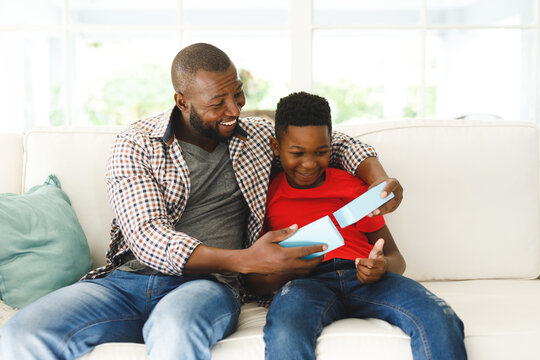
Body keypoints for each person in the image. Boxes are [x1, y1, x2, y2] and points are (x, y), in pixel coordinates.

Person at [0, 44, 403, 360]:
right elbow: (147, 237)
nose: (234, 111)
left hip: (207, 286)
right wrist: (247, 259)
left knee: (174, 328)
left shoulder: (256, 139)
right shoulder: (135, 144)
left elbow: (337, 145)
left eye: (238, 96)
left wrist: (378, 178)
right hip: (125, 281)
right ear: (182, 101)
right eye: (218, 103)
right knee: (21, 333)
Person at [246, 91, 466, 360]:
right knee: (284, 330)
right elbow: (256, 279)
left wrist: (382, 266)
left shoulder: (351, 187)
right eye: (297, 152)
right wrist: (283, 271)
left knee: (439, 315)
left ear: (331, 145)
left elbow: (397, 258)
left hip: (364, 276)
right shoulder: (266, 197)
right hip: (305, 284)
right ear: (275, 148)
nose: (309, 163)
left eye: (321, 152)